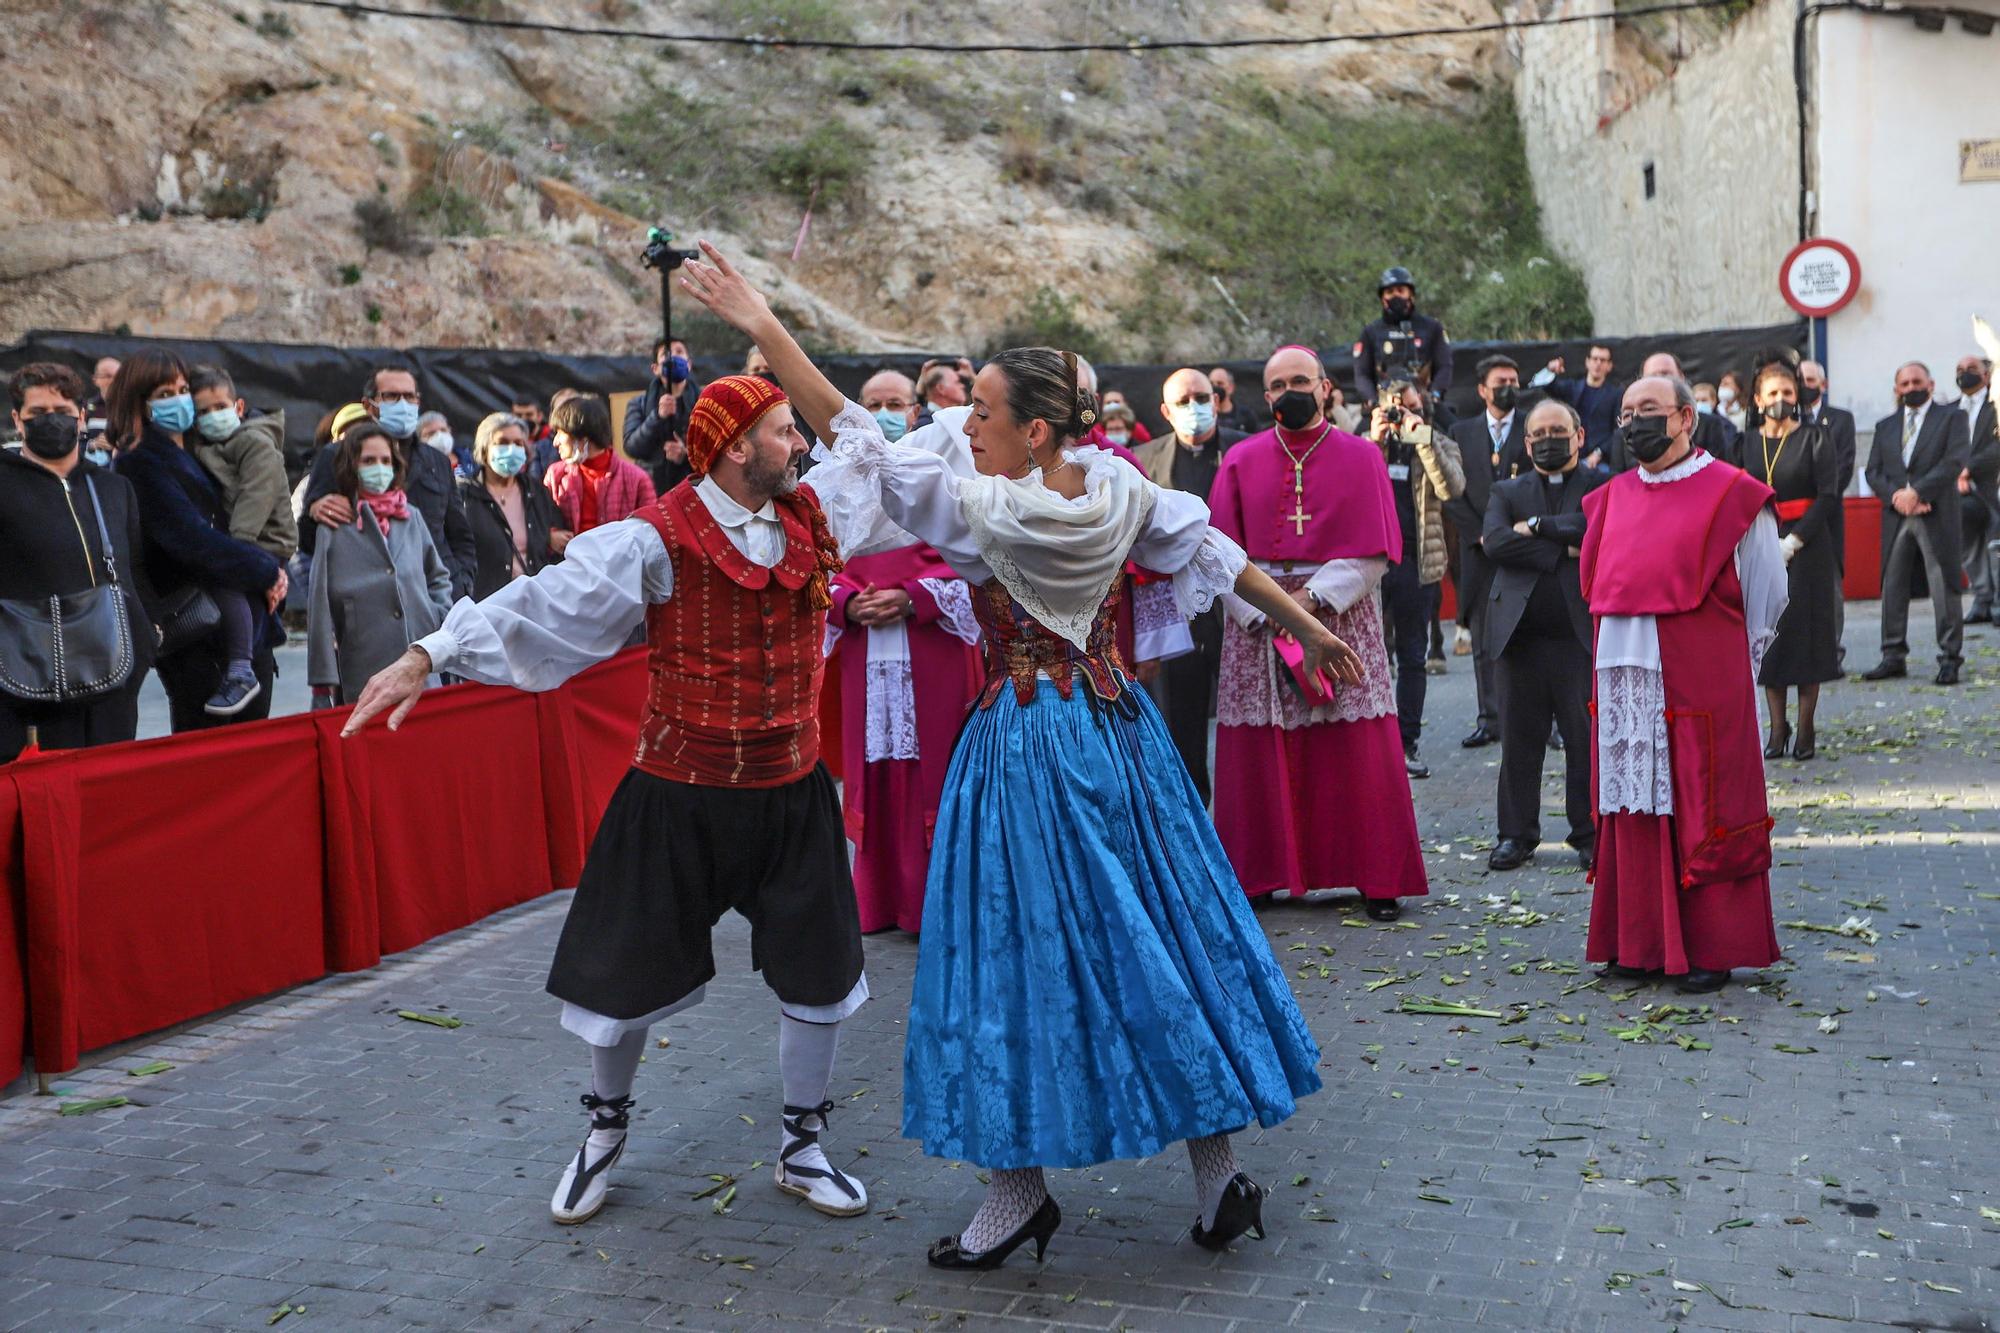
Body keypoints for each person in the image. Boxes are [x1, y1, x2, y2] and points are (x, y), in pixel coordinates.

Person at [677, 243, 1348, 1269]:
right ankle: (1216, 1184)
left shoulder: (978, 510)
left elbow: (845, 425)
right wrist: (1311, 625)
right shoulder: (1122, 492)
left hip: (1025, 747)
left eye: (980, 414)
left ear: (1032, 428)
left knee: (1004, 961)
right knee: (1160, 938)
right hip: (1122, 738)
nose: (962, 429)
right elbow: (1222, 558)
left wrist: (765, 327)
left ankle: (1015, 1195)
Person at [345, 354, 875, 1228]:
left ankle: (802, 1142)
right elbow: (544, 602)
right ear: (738, 449)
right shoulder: (653, 537)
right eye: (784, 430)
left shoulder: (817, 513)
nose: (800, 442)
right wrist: (428, 654)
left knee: (820, 972)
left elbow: (887, 465)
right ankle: (603, 1131)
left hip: (790, 786)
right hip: (678, 790)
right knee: (618, 979)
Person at [1209, 344, 1432, 920]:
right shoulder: (1239, 459)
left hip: (1341, 614)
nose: (1290, 392)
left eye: (1300, 381)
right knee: (1260, 745)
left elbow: (1376, 551)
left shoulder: (1361, 457)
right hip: (1256, 621)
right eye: (1278, 385)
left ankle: (1374, 875)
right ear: (1265, 397)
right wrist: (1274, 609)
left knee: (1354, 746)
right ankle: (1257, 873)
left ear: (1326, 387)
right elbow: (1218, 555)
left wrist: (1305, 605)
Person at [1581, 375, 1787, 994]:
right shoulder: (1610, 497)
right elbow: (1594, 585)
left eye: (1650, 410)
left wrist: (1735, 665)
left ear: (1686, 418)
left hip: (1701, 674)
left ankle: (1711, 945)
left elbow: (1768, 588)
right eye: (1626, 413)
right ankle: (1640, 941)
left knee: (1703, 800)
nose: (1637, 422)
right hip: (1626, 674)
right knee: (1634, 801)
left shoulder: (1733, 493)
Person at [826, 373, 983, 934]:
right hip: (867, 653)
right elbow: (818, 568)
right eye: (874, 405)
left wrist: (913, 597)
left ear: (915, 411)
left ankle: (929, 903)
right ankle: (876, 899)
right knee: (875, 772)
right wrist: (845, 604)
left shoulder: (938, 473)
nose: (886, 413)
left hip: (929, 648)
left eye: (895, 404)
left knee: (932, 774)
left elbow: (977, 564)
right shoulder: (838, 484)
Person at [109, 350, 287, 730]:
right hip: (202, 638)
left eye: (183, 388)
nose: (179, 398)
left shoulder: (195, 447)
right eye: (164, 392)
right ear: (139, 402)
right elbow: (190, 540)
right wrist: (266, 569)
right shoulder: (141, 461)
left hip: (240, 627)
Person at [1, 363, 156, 763]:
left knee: (108, 798)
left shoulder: (113, 488)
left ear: (82, 417)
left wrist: (143, 647)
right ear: (18, 420)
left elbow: (134, 573)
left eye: (63, 411)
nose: (51, 420)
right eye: (38, 414)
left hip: (113, 681)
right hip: (24, 688)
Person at [1480, 399, 1603, 871]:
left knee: (1584, 739)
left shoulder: (1600, 484)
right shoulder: (1506, 489)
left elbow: (1597, 532)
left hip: (1579, 638)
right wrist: (1561, 550)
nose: (1549, 439)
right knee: (1518, 741)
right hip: (1520, 640)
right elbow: (1495, 543)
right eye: (1540, 433)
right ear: (1527, 442)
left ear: (1579, 435)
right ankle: (1516, 835)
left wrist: (1536, 528)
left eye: (1559, 430)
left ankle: (1589, 832)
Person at [1133, 368, 1246, 803]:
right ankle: (1196, 815)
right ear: (1165, 411)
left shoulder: (1244, 450)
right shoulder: (1143, 459)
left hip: (1242, 605)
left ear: (1217, 400)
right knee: (1182, 725)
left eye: (1202, 396)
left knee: (1246, 721)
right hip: (1180, 615)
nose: (1194, 407)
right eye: (1182, 401)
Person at [306, 423, 453, 707]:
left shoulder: (411, 517)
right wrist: (322, 684)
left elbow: (438, 576)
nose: (379, 468)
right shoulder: (335, 525)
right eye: (369, 461)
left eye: (385, 461)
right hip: (364, 664)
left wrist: (435, 614)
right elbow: (319, 605)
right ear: (352, 466)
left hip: (420, 659)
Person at [303, 365, 476, 599]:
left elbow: (459, 534)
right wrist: (316, 510)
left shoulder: (437, 461)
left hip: (435, 599)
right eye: (392, 396)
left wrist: (462, 585)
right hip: (369, 602)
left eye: (409, 396)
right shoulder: (335, 457)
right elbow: (308, 539)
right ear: (368, 405)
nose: (402, 404)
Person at [1742, 363, 1842, 759]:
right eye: (1772, 394)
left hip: (1808, 547)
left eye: (1787, 392)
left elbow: (1828, 495)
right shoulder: (1745, 443)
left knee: (1807, 639)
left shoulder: (1816, 438)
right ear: (1757, 400)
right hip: (1760, 546)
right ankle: (1776, 728)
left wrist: (1794, 541)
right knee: (1771, 638)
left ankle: (1805, 728)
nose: (1779, 400)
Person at [1368, 380, 1465, 778]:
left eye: (1411, 408)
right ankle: (1370, 746)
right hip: (1371, 564)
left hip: (1417, 562)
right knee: (1366, 658)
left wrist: (1421, 438)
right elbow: (1347, 491)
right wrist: (1374, 442)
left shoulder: (1438, 441)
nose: (1402, 416)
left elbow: (1452, 487)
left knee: (1412, 656)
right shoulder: (1362, 446)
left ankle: (1406, 743)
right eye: (1396, 409)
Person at [1863, 361, 1971, 685]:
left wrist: (1919, 492)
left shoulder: (1953, 418)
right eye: (1905, 383)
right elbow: (1873, 472)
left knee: (1943, 585)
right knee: (1893, 584)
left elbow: (1955, 460)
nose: (1911, 387)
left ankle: (1950, 658)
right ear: (1897, 389)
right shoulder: (1884, 426)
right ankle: (1892, 655)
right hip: (1897, 516)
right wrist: (1898, 497)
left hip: (1935, 513)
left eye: (1917, 381)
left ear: (1931, 384)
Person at [1445, 354, 1526, 751]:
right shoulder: (1461, 432)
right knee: (1482, 640)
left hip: (1522, 548)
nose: (1508, 386)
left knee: (1527, 636)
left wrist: (1514, 534)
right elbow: (1450, 492)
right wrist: (1479, 534)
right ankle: (1489, 718)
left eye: (1513, 379)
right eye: (1500, 380)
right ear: (1482, 389)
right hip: (1477, 553)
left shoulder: (1532, 426)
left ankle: (1536, 722)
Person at [187, 365, 298, 565]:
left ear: (238, 408)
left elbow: (255, 495)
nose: (213, 416)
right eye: (204, 411)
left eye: (221, 407)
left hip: (266, 547)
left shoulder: (256, 442)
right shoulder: (209, 446)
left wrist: (235, 550)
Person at [459, 412, 570, 601]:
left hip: (535, 601)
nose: (511, 450)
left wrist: (548, 536)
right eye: (502, 442)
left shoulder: (536, 491)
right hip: (487, 604)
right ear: (485, 449)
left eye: (518, 443)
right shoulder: (464, 494)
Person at [1798, 359, 1856, 649]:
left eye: (1811, 380)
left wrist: (1821, 502)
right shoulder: (1787, 419)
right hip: (1791, 515)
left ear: (1824, 384)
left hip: (1827, 514)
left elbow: (1843, 467)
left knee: (1830, 584)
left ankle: (1832, 650)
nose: (1805, 386)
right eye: (1801, 380)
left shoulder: (1841, 419)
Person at [543, 393, 657, 533]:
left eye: (561, 433)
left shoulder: (637, 479)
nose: (555, 442)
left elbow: (650, 532)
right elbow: (541, 522)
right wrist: (551, 536)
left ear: (583, 438)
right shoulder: (555, 476)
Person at [1611, 353, 1738, 470]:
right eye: (1652, 377)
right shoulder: (1625, 433)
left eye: (1666, 374)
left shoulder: (1710, 425)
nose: (1659, 381)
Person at [1354, 266, 1452, 406]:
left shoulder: (1432, 327)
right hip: (1384, 403)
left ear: (1411, 294)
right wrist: (1372, 400)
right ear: (1383, 298)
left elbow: (1444, 366)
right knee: (1358, 429)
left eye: (1401, 291)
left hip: (1424, 401)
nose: (1396, 296)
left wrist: (1435, 394)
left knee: (1452, 426)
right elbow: (1361, 373)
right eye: (1390, 292)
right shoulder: (1370, 331)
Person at [1951, 354, 1997, 623]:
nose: (1964, 373)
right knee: (1967, 545)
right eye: (1959, 369)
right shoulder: (1950, 409)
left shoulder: (1997, 405)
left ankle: (1998, 603)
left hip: (1991, 485)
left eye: (1971, 369)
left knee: (1995, 545)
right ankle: (1981, 598)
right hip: (1958, 489)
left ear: (1986, 375)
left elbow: (1996, 445)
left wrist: (1968, 468)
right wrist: (1955, 472)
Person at [623, 338, 698, 495]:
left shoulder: (704, 403)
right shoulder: (639, 404)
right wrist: (656, 416)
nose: (674, 358)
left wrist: (686, 455)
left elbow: (717, 452)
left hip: (693, 490)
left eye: (679, 352)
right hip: (651, 492)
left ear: (689, 365)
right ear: (655, 368)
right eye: (666, 354)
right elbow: (631, 447)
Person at [1532, 343, 1622, 450]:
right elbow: (1539, 384)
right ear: (1587, 362)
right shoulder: (1572, 388)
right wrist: (1549, 370)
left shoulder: (1615, 394)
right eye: (1595, 359)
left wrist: (1600, 453)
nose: (1598, 363)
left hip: (1600, 459)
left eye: (1602, 360)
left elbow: (1618, 429)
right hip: (1570, 451)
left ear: (1609, 366)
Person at [414, 410, 471, 478]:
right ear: (420, 440)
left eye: (443, 430)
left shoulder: (469, 457)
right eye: (431, 433)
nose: (439, 436)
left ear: (450, 431)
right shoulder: (418, 469)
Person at [1209, 366, 1258, 433]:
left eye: (1220, 384)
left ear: (1231, 388)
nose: (1215, 387)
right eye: (1211, 384)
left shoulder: (1246, 415)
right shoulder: (1205, 415)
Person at [1717, 372, 1749, 436]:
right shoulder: (1716, 410)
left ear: (1738, 389)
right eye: (1721, 383)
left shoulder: (1745, 412)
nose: (1722, 386)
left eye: (1726, 384)